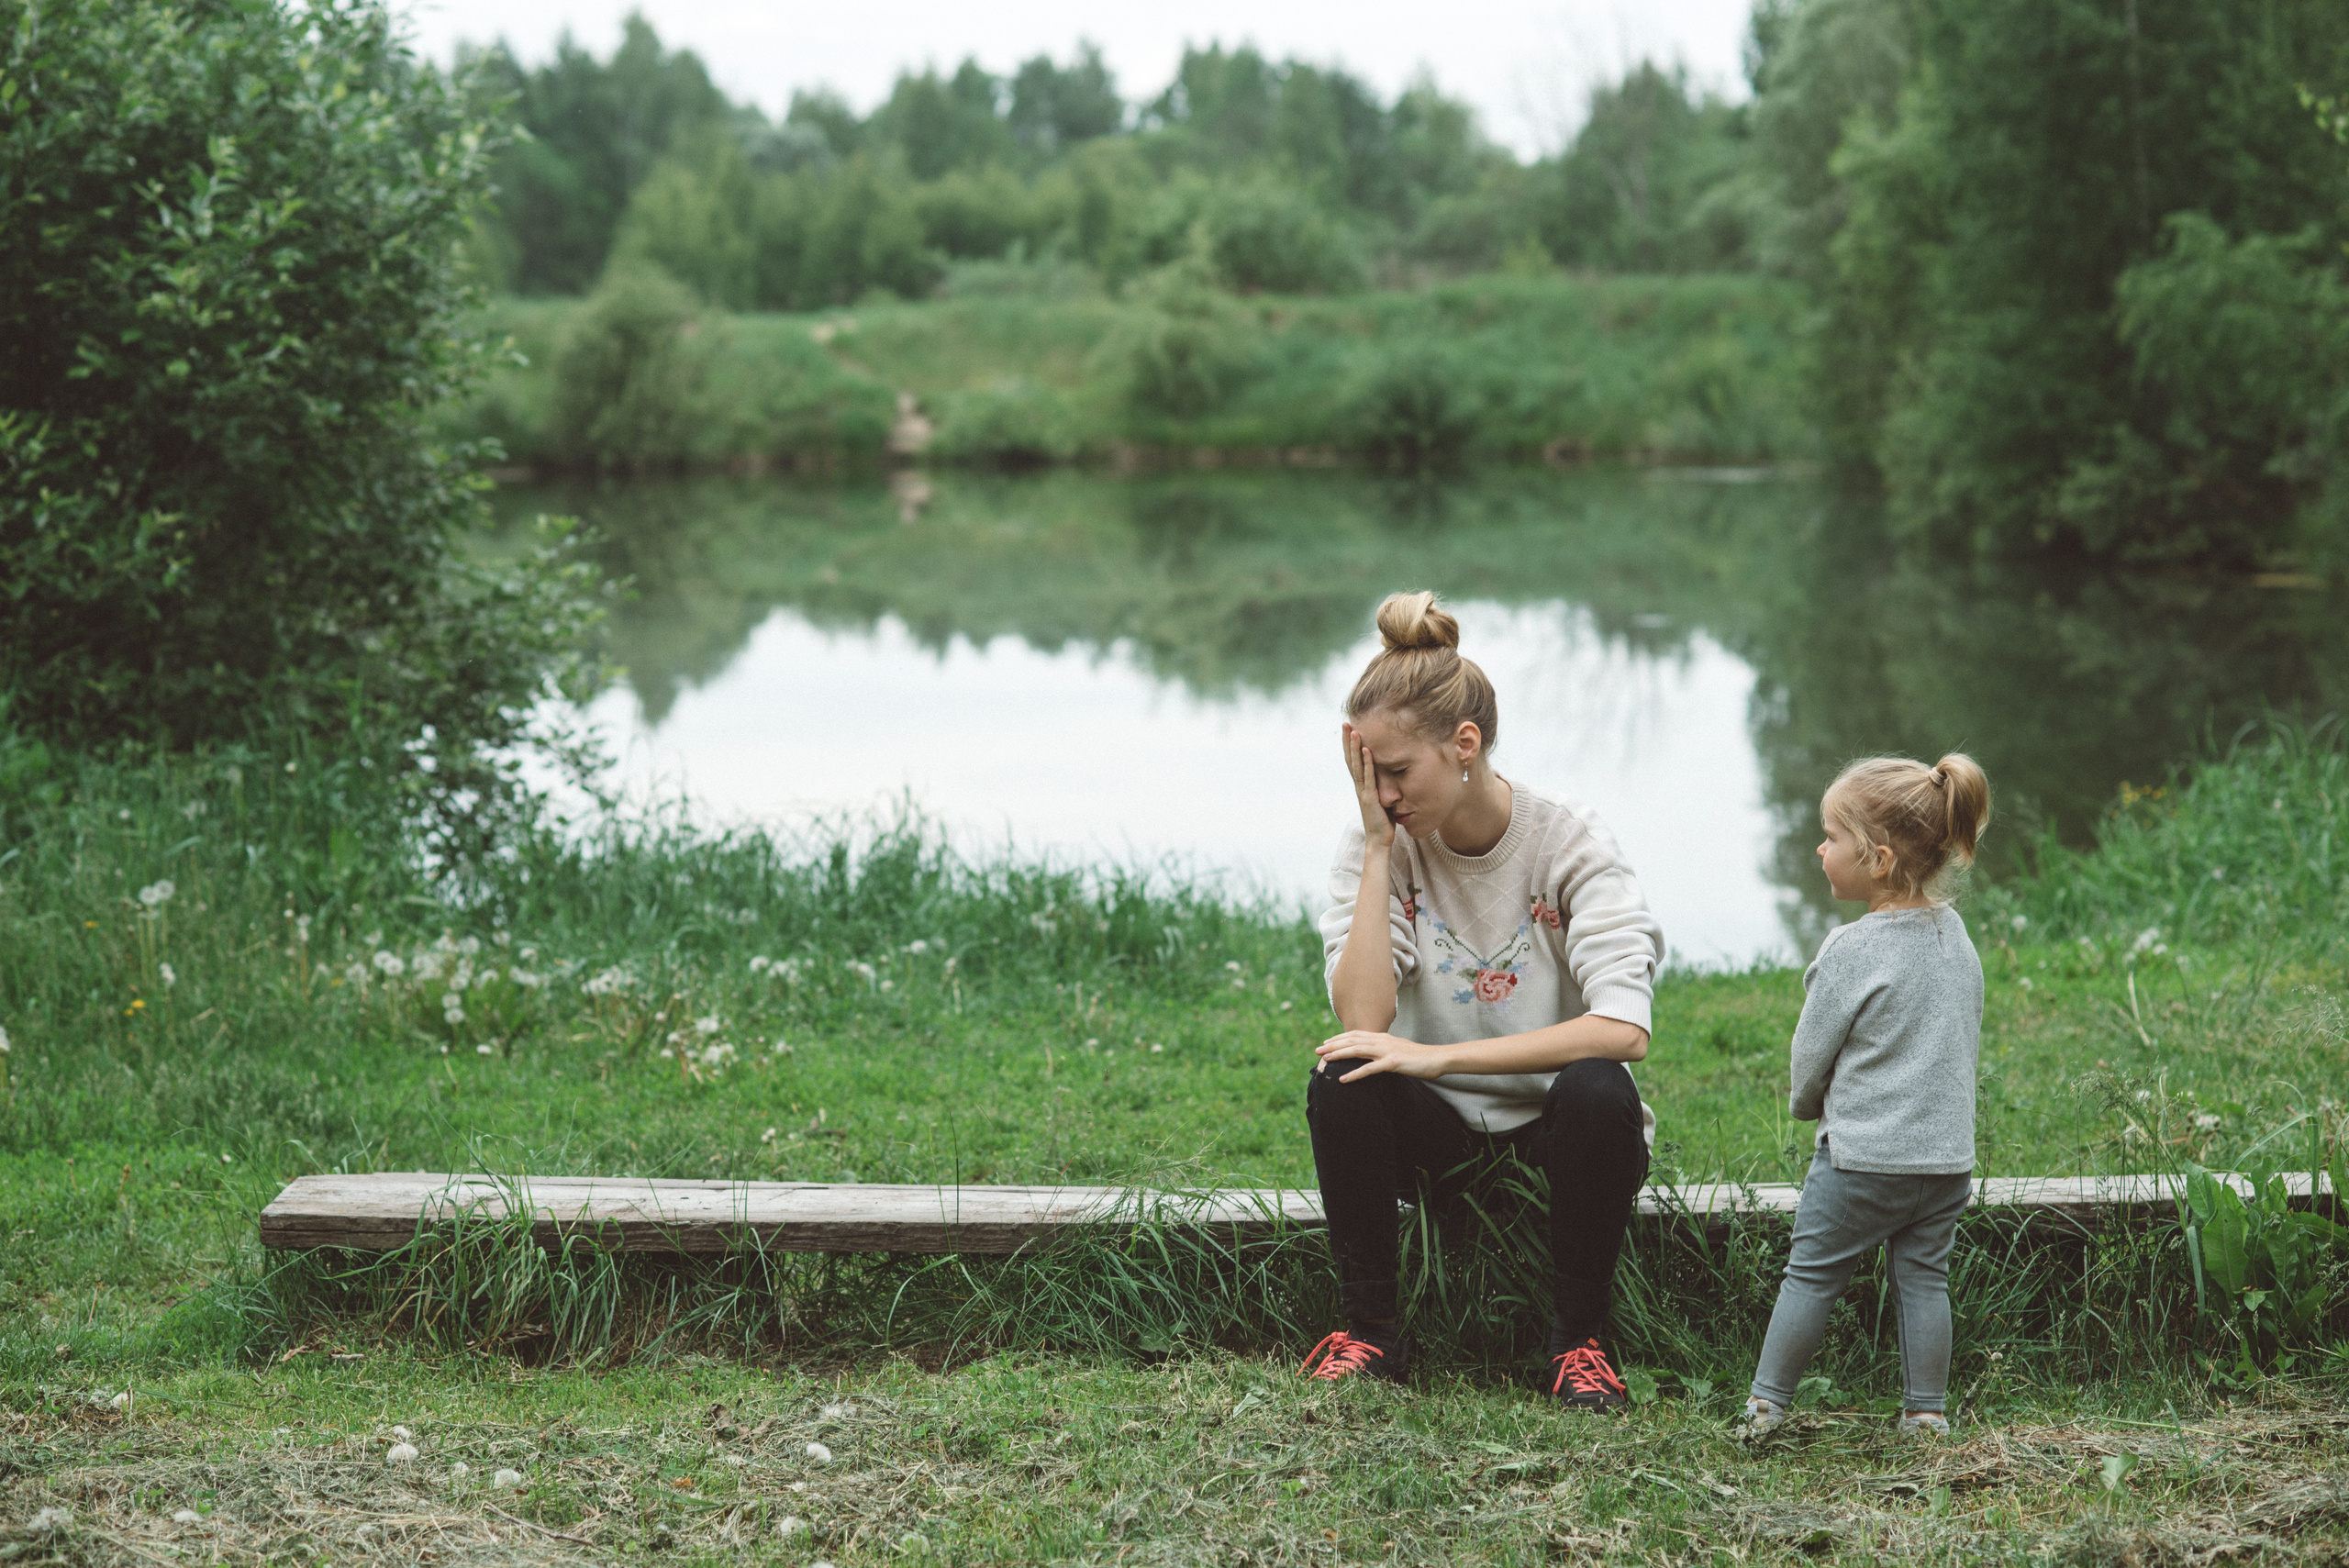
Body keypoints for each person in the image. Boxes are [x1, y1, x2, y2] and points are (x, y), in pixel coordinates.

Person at [1300, 591, 1665, 1408]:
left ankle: (1580, 1341)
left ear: (1464, 744)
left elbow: (1625, 1028)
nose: (1384, 793)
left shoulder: (1569, 841)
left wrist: (1438, 1057)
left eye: (1396, 772)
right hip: (1444, 1145)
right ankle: (1371, 1333)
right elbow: (1364, 1021)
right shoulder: (1380, 842)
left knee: (1600, 1084)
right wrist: (1374, 849)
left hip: (1561, 1137)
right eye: (1370, 775)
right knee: (1342, 1073)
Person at [1738, 753, 1991, 1439]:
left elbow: (1811, 1054)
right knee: (1925, 1281)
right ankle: (1926, 1412)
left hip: (1861, 1160)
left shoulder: (1852, 948)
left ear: (1878, 859)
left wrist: (1806, 1104)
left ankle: (1766, 1405)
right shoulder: (1958, 938)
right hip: (1944, 1162)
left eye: (1830, 836)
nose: (1820, 848)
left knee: (1811, 1276)